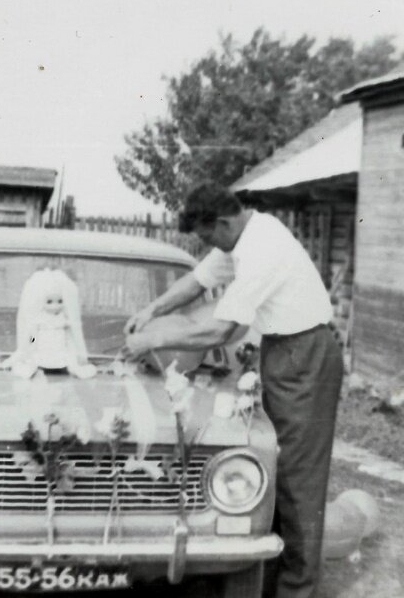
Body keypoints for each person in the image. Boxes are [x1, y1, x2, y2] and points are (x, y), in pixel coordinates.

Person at [123, 182, 342, 598]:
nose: (208, 245)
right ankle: (277, 575)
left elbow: (225, 328)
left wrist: (152, 340)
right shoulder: (240, 238)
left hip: (305, 354)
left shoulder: (264, 250)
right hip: (283, 350)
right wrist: (152, 309)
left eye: (207, 236)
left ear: (222, 222)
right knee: (268, 466)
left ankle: (299, 590)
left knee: (299, 479)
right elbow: (197, 280)